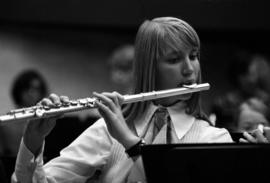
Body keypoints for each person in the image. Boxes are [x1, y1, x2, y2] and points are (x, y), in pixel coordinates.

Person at [12, 17, 233, 183]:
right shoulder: (110, 129)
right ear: (150, 69)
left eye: (193, 56)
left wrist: (131, 143)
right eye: (174, 59)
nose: (189, 69)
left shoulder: (215, 140)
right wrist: (33, 141)